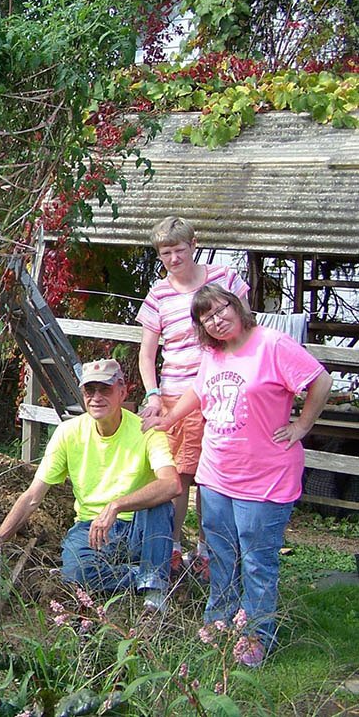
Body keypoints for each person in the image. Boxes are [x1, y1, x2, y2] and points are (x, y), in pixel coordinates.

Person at [144, 286, 332, 664]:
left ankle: (256, 635)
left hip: (265, 480)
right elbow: (199, 391)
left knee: (258, 562)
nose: (217, 319)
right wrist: (169, 418)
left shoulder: (273, 344)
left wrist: (301, 426)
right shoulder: (213, 352)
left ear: (237, 306)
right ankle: (219, 621)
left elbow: (320, 380)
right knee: (220, 555)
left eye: (221, 309)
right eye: (207, 317)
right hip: (216, 477)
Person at [0, 359, 181, 614]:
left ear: (122, 391)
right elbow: (32, 496)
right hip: (91, 528)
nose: (96, 398)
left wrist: (117, 505)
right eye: (89, 391)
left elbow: (172, 484)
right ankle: (149, 574)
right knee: (76, 572)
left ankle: (155, 599)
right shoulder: (68, 432)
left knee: (160, 504)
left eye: (105, 389)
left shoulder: (145, 430)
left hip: (139, 527)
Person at [136, 216, 250, 580]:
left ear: (193, 245)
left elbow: (247, 328)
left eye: (179, 250)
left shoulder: (225, 279)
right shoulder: (159, 294)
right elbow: (147, 353)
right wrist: (153, 394)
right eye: (166, 253)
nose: (173, 258)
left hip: (220, 393)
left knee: (213, 477)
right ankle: (171, 547)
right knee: (177, 476)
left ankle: (206, 550)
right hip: (173, 395)